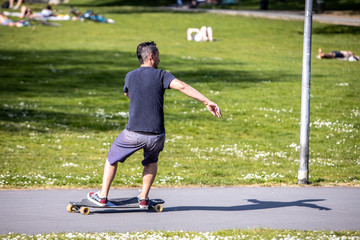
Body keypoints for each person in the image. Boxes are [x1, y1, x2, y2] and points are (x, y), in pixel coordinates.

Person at [87, 41, 222, 208]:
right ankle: (143, 198)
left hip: (133, 133)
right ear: (151, 56)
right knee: (151, 161)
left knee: (112, 159)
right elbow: (182, 86)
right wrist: (206, 101)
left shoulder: (130, 75)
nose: (159, 59)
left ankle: (102, 196)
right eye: (158, 56)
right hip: (156, 135)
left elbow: (127, 94)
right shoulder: (162, 75)